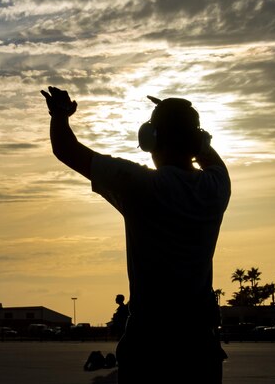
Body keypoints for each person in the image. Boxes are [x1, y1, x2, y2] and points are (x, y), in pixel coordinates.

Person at [41, 86, 231, 383]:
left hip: (149, 344)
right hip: (201, 344)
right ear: (197, 142)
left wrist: (60, 114)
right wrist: (183, 124)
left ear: (150, 139)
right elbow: (210, 158)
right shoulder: (217, 187)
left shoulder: (140, 185)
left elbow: (65, 149)